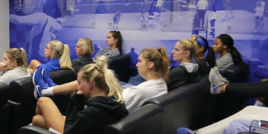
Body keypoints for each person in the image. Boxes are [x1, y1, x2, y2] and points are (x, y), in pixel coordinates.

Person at [38, 49, 169, 114]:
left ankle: (47, 90)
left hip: (113, 102)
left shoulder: (141, 90)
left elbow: (115, 108)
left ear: (150, 65)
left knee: (90, 77)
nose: (137, 65)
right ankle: (50, 89)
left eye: (140, 61)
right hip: (124, 91)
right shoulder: (161, 84)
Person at [32, 59, 128, 134]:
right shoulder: (114, 100)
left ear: (90, 83)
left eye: (79, 83)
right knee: (37, 119)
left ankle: (44, 91)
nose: (77, 88)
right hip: (88, 132)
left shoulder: (93, 111)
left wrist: (75, 102)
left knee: (43, 100)